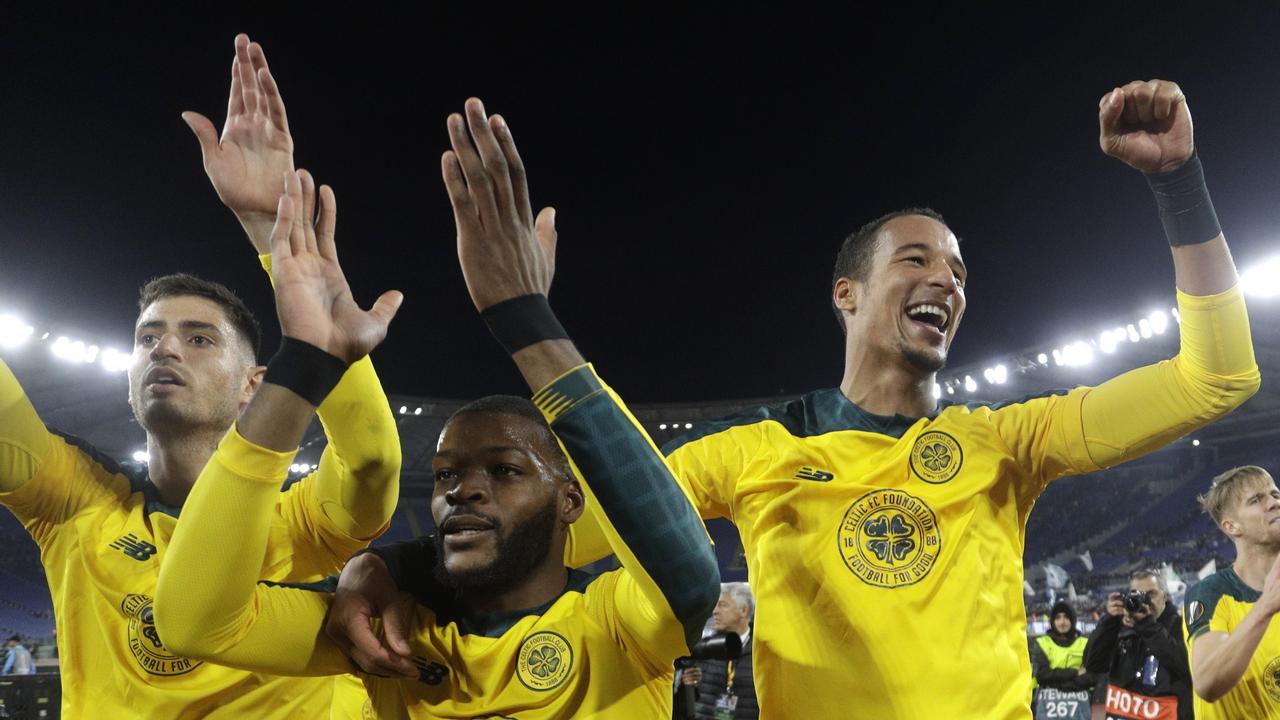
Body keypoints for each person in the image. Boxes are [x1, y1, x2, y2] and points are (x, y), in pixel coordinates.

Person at [332, 79, 1261, 719]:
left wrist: (1180, 184)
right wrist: (388, 570)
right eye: (918, 257)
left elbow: (1217, 376)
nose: (949, 278)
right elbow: (543, 536)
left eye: (961, 270)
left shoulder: (1012, 439)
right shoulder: (752, 454)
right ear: (846, 294)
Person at [152, 100, 720, 718]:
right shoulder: (381, 636)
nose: (462, 491)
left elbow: (687, 575)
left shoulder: (614, 620)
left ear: (570, 500)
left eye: (504, 470)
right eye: (446, 474)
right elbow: (194, 623)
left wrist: (526, 319)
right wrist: (305, 365)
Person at [0, 35, 401, 718]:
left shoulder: (300, 523)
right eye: (147, 338)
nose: (164, 350)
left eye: (198, 338)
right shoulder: (76, 501)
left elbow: (370, 463)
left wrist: (273, 237)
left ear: (255, 383)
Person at [1183, 465, 1280, 718]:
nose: (1273, 503)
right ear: (1232, 527)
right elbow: (1207, 682)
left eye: (1275, 494)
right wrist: (1266, 606)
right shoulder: (1212, 593)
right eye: (1256, 500)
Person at [1084, 570, 1190, 719]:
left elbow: (1186, 666)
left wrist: (1147, 626)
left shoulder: (1183, 626)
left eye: (1151, 594)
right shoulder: (1119, 628)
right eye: (1138, 594)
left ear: (1164, 596)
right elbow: (1093, 665)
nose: (1145, 600)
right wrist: (1109, 622)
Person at [681, 583, 758, 719]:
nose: (714, 611)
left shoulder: (761, 653)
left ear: (744, 610)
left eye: (722, 605)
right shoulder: (704, 648)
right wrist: (688, 687)